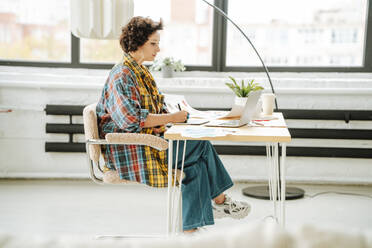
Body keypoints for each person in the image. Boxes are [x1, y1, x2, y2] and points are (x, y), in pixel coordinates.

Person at [96, 16, 250, 233]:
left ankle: (190, 233)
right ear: (137, 42)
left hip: (147, 140)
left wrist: (170, 115)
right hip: (130, 149)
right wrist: (172, 119)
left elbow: (150, 109)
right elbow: (132, 121)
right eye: (153, 43)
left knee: (193, 164)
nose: (158, 49)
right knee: (200, 145)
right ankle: (220, 202)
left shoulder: (140, 72)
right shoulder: (122, 75)